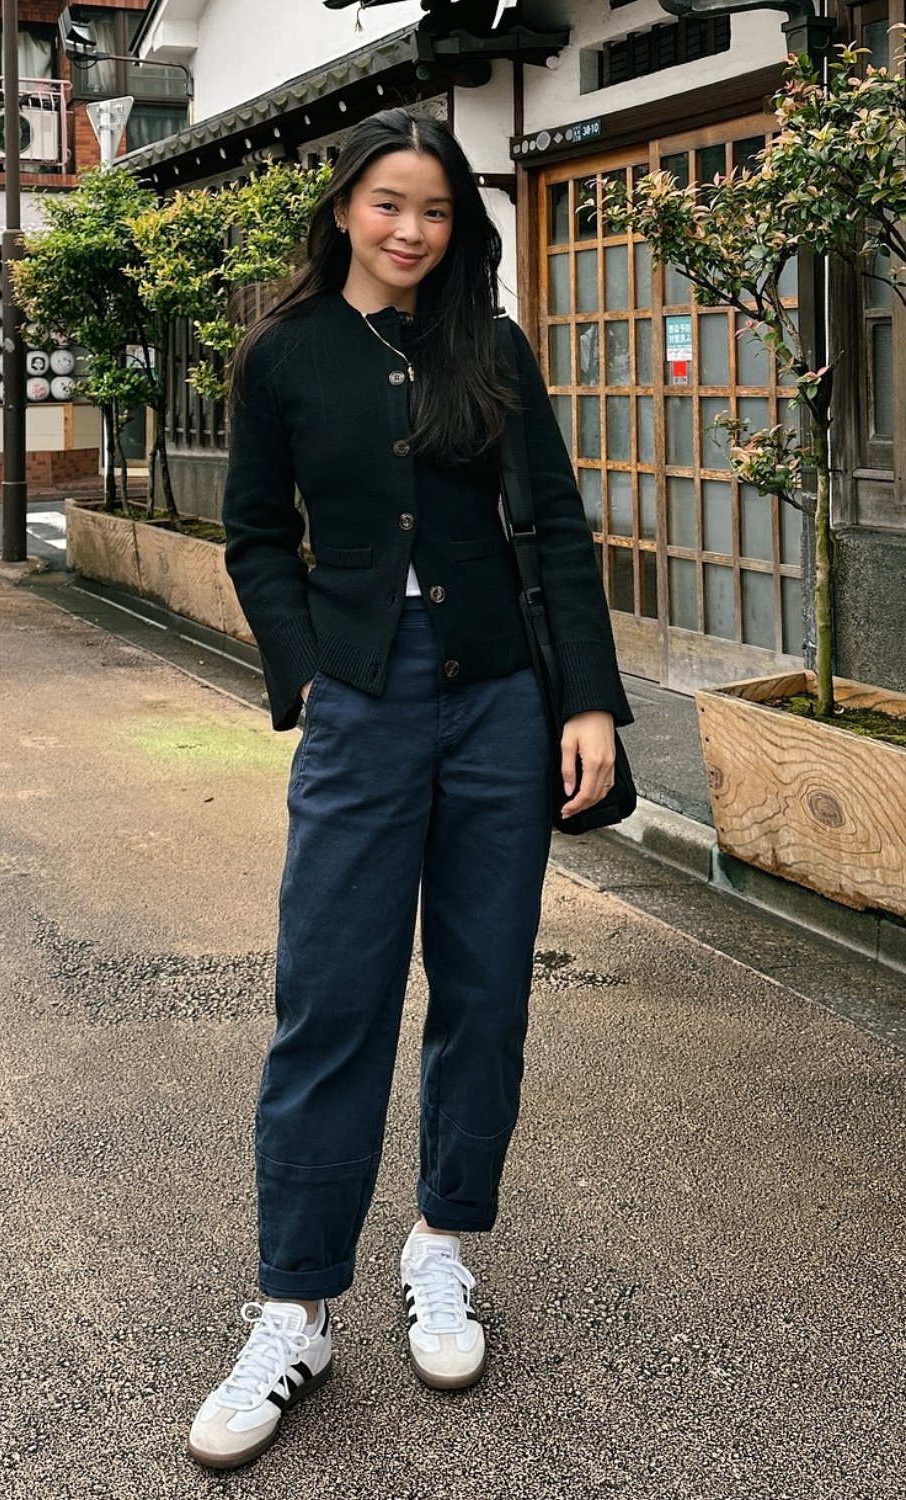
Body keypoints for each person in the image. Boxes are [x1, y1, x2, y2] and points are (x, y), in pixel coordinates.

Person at [187, 106, 632, 1470]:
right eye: (389, 203)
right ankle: (297, 1308)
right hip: (360, 700)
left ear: (457, 225)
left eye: (434, 210)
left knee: (484, 987)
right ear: (344, 208)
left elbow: (551, 523)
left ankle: (441, 1243)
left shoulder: (487, 347)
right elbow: (258, 536)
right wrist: (310, 672)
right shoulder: (283, 354)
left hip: (499, 693)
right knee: (331, 996)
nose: (410, 230)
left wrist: (591, 700)